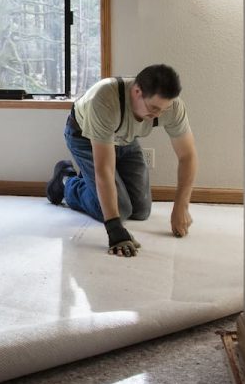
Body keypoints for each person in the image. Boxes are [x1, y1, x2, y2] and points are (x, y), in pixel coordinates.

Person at [46, 64, 198, 257]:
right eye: (154, 109)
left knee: (141, 210)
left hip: (125, 138)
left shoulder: (172, 107)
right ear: (137, 91)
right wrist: (114, 229)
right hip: (84, 137)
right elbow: (104, 169)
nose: (159, 115)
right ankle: (66, 180)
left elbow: (187, 156)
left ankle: (88, 180)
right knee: (121, 209)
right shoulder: (105, 99)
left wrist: (181, 206)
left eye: (164, 109)